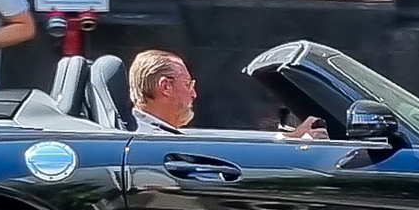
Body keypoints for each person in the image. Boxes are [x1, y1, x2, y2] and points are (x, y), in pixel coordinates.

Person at [130, 49, 323, 137]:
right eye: (188, 85)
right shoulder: (153, 141)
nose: (194, 94)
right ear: (165, 86)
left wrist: (293, 137)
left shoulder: (154, 133)